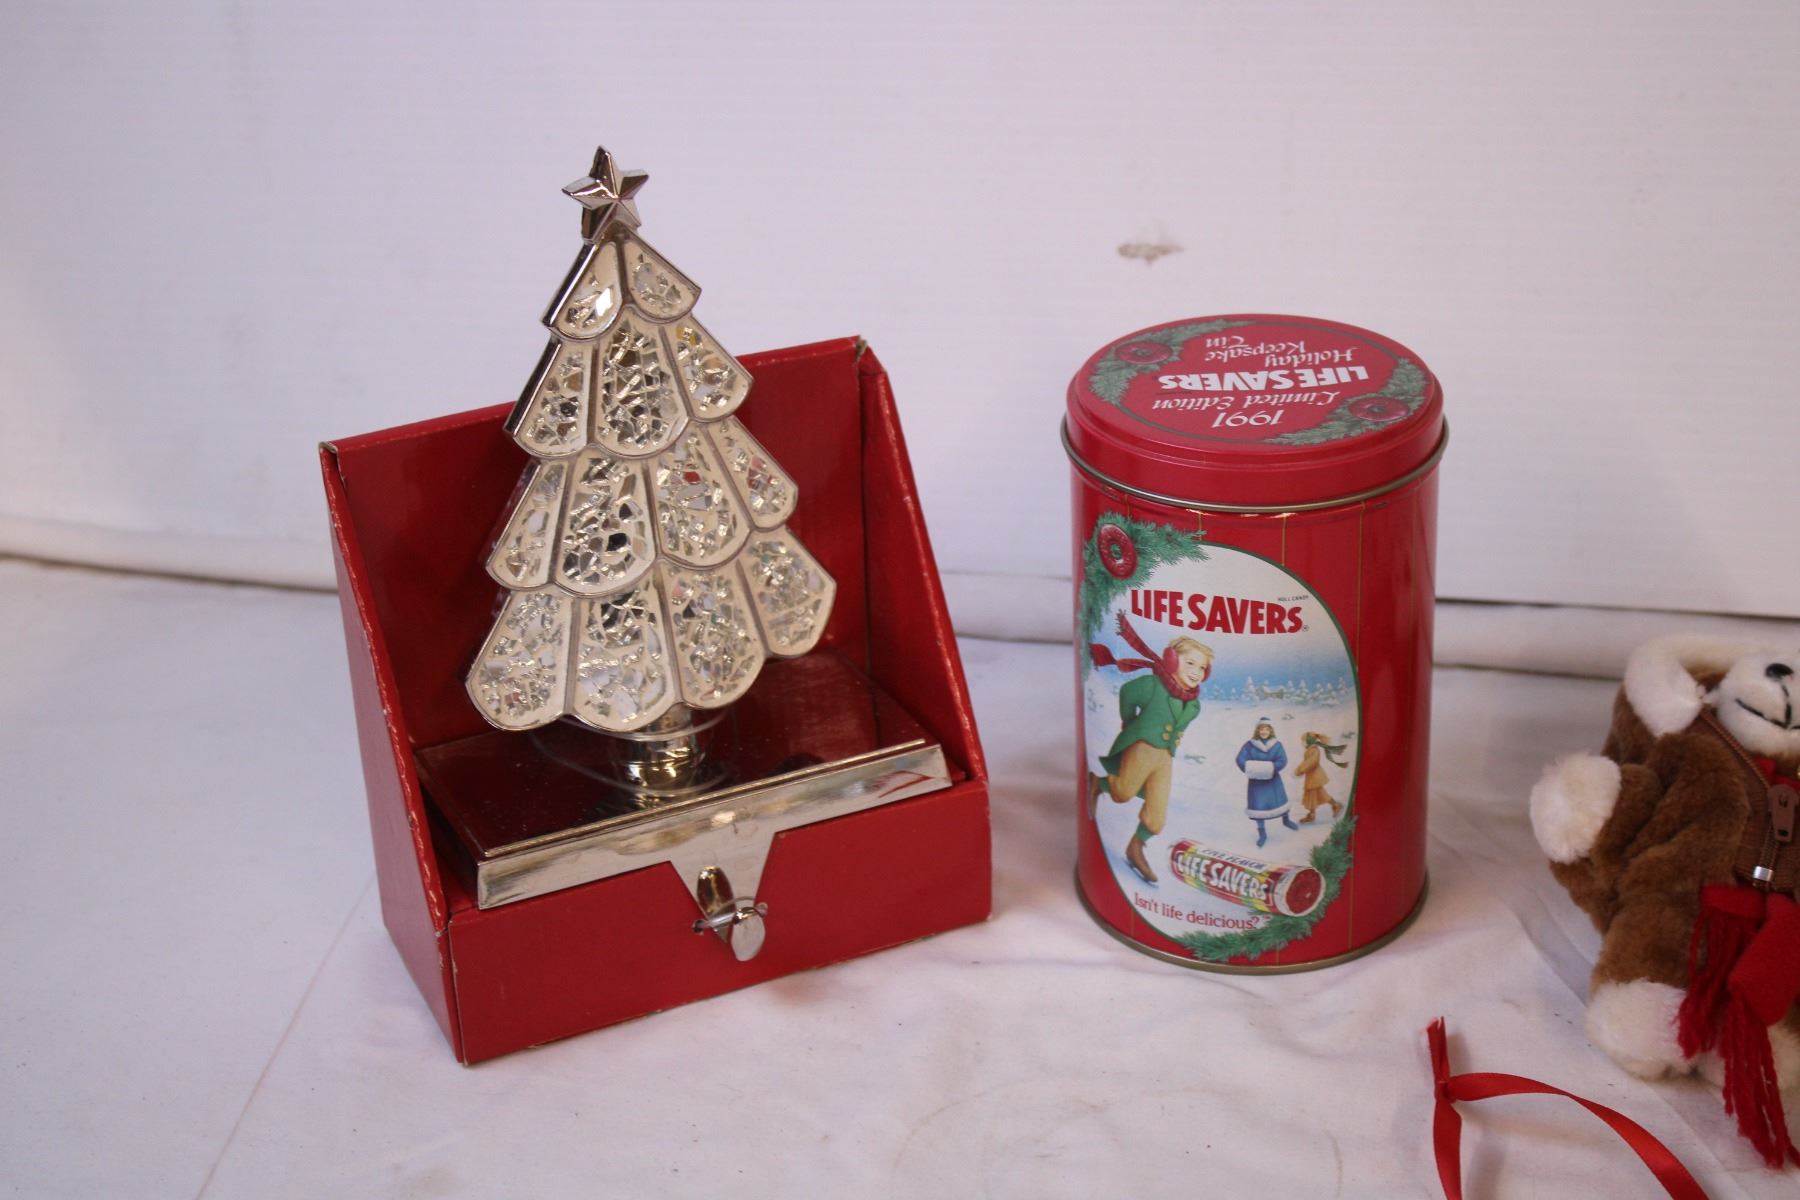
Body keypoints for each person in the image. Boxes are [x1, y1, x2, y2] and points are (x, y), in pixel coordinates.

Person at [1087, 614, 1213, 884]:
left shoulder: (1193, 705)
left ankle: (1135, 847)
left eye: (1202, 667)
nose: (1196, 671)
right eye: (1190, 663)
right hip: (1143, 747)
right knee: (1122, 792)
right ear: (1172, 660)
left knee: (1157, 814)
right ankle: (1098, 783)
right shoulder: (1153, 686)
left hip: (1164, 756)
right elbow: (1127, 694)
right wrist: (1131, 723)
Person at [1235, 719, 1297, 848]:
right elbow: (1240, 759)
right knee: (1259, 807)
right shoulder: (1249, 745)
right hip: (1256, 782)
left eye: (1267, 729)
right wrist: (1252, 768)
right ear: (1257, 730)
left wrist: (1271, 768)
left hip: (1273, 780)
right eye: (1261, 729)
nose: (1264, 732)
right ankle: (1262, 833)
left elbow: (1282, 760)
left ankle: (1286, 820)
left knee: (1280, 801)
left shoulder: (1277, 745)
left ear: (1271, 730)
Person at [1292, 731, 1348, 823]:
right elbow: (1307, 762)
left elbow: (1311, 762)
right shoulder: (1310, 750)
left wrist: (1300, 770)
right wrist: (1299, 769)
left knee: (1313, 794)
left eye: (1303, 741)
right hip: (1312, 776)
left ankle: (1314, 813)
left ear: (1309, 741)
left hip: (1315, 776)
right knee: (1317, 794)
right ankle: (1333, 805)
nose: (1302, 743)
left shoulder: (1314, 750)